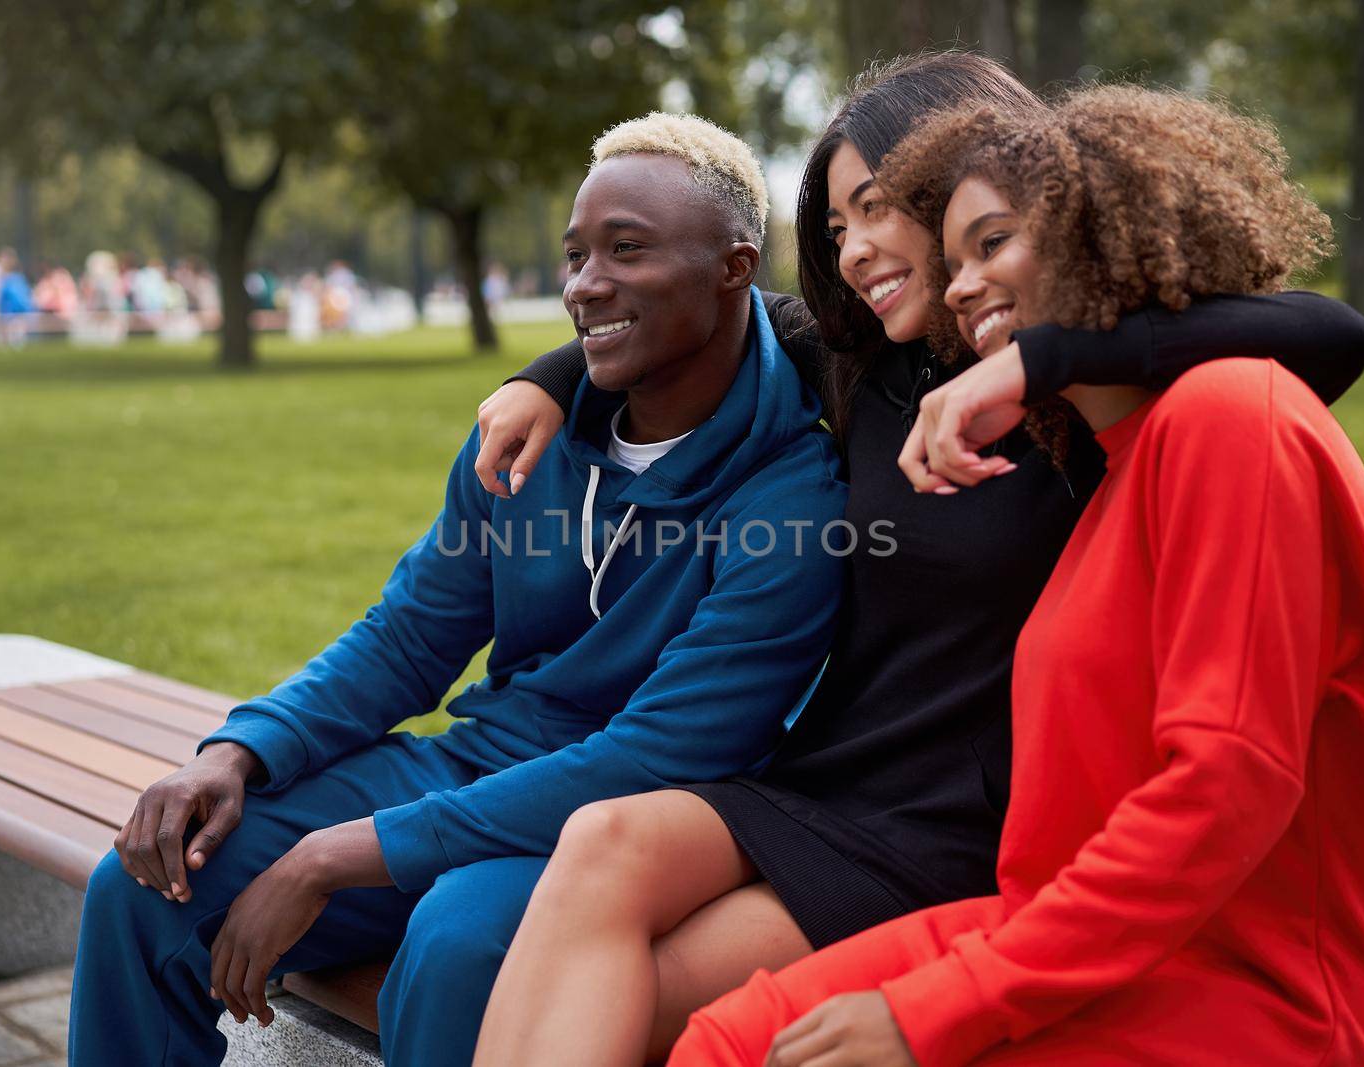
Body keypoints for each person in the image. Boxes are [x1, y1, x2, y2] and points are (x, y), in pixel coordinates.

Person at [469, 52, 1364, 1067]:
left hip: (968, 825)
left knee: (664, 1007)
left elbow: (1330, 330)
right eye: (835, 228)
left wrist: (1044, 359)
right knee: (603, 843)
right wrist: (549, 379)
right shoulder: (871, 361)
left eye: (876, 210)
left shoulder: (1110, 396)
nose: (852, 250)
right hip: (835, 776)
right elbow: (709, 318)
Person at [67, 112, 849, 1067]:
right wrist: (239, 749)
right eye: (574, 254)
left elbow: (654, 756)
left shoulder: (798, 497)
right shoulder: (529, 437)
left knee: (457, 947)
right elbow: (407, 637)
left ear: (736, 267)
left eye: (626, 250)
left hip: (639, 822)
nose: (585, 284)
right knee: (148, 883)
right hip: (479, 763)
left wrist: (331, 854)